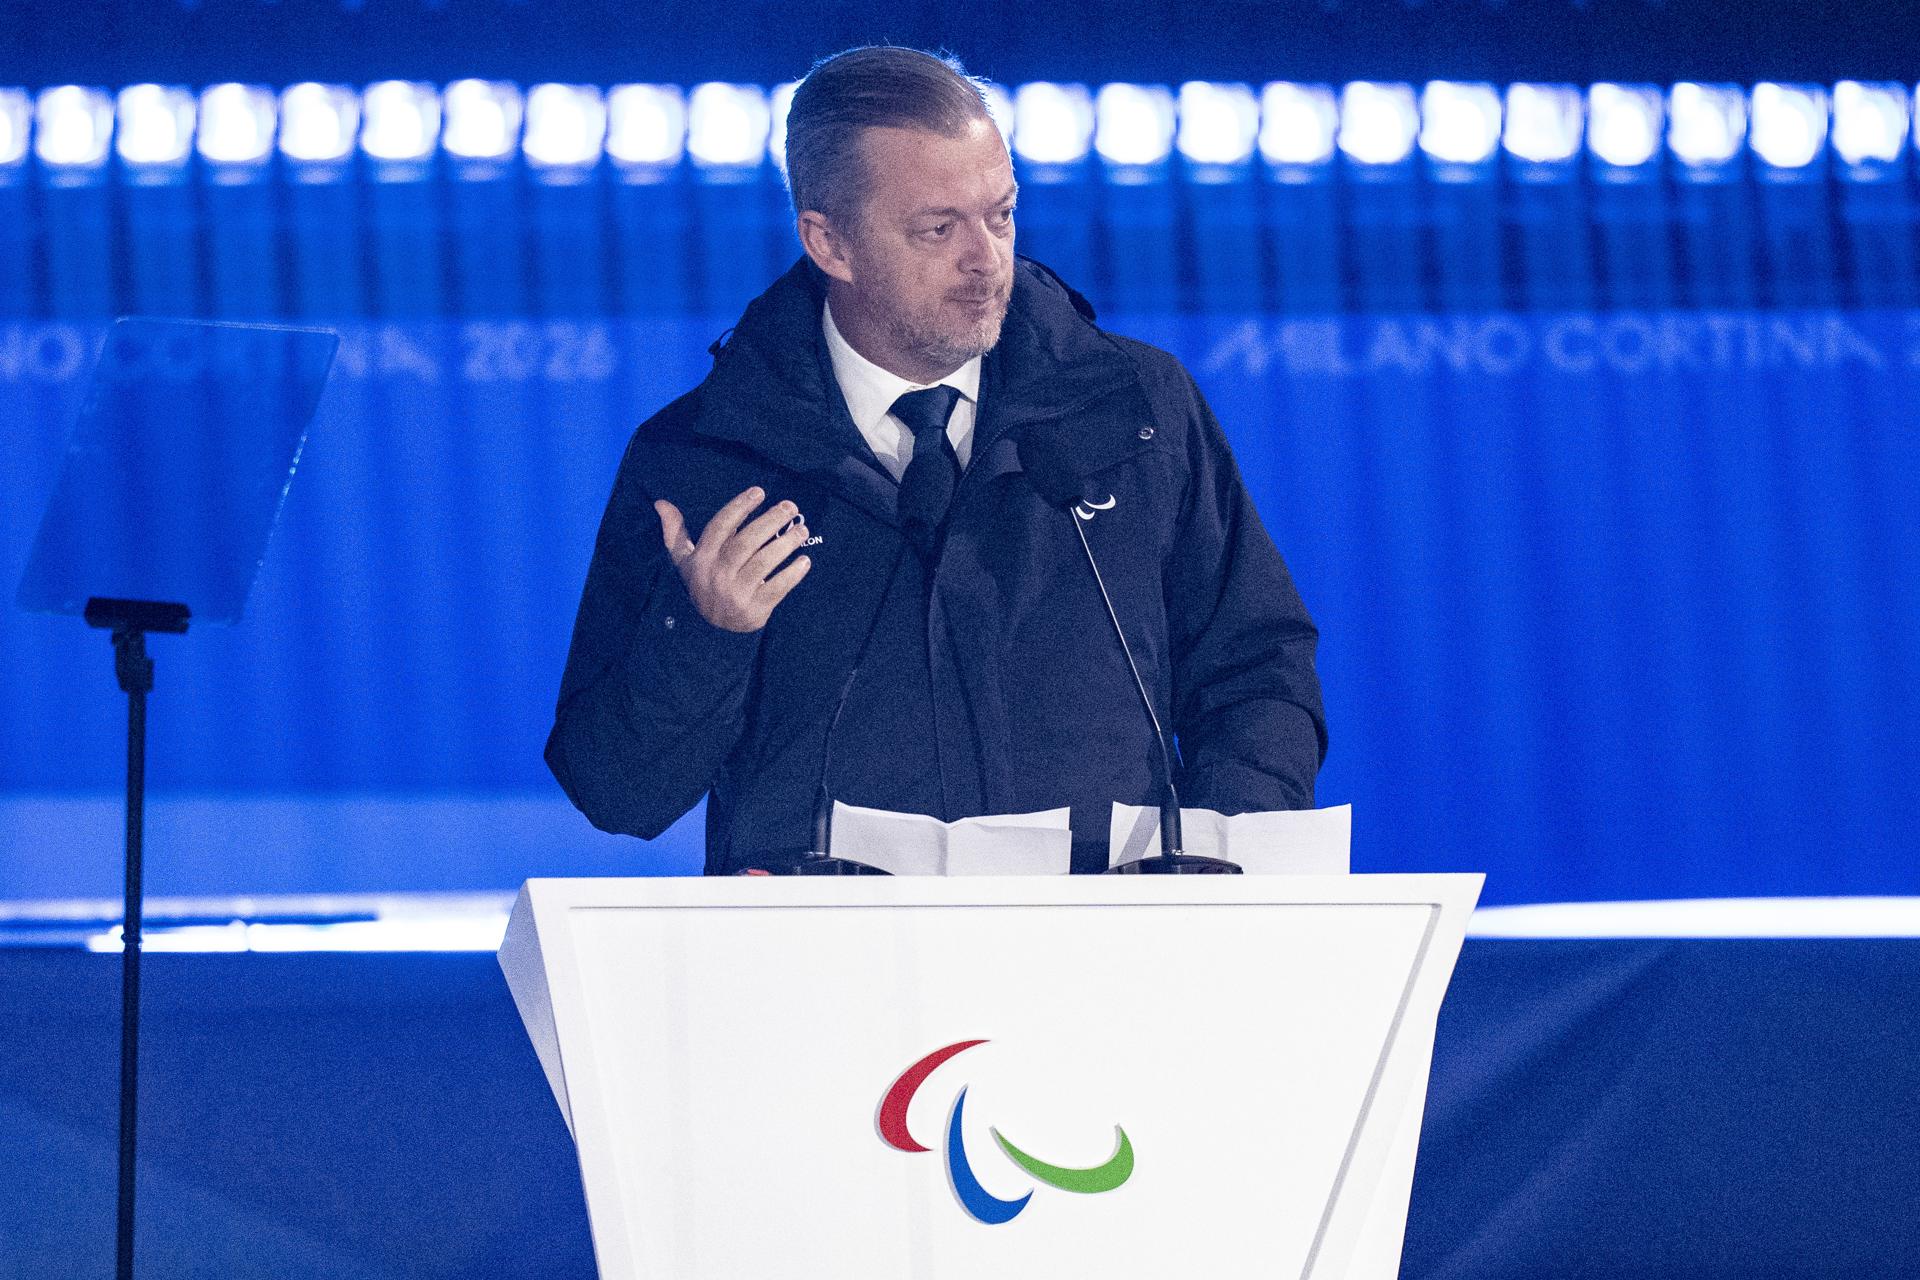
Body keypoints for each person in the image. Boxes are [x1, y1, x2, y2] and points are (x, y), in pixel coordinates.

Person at [547, 46, 1325, 874]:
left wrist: (1221, 862)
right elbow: (616, 794)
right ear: (829, 242)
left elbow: (1257, 673)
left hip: (1107, 962)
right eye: (938, 229)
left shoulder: (1135, 410)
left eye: (1000, 214)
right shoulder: (704, 459)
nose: (986, 261)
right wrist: (704, 634)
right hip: (825, 977)